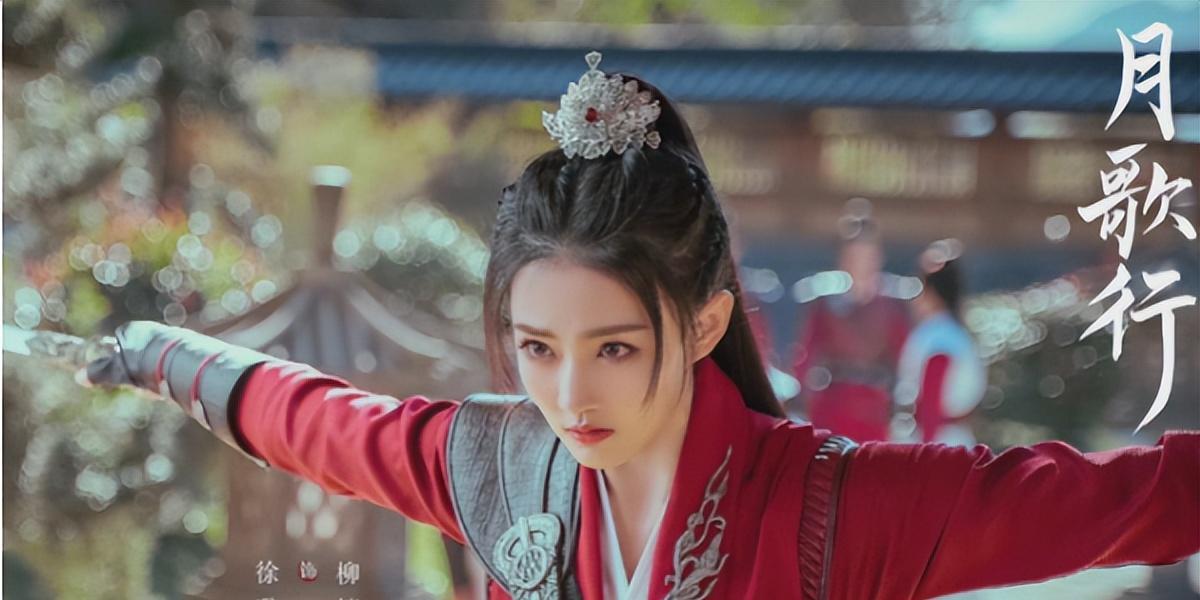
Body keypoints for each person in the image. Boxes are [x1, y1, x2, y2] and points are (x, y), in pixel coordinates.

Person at [82, 51, 1198, 600]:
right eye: (537, 348)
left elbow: (1130, 501)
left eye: (614, 347)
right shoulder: (495, 463)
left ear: (706, 323)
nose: (569, 396)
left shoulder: (834, 508)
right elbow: (313, 420)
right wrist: (154, 351)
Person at [791, 203, 911, 441]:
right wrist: (800, 397)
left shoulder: (891, 305)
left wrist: (903, 404)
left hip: (875, 409)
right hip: (832, 405)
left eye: (865, 254)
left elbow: (904, 358)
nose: (860, 262)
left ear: (878, 257)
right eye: (854, 254)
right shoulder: (825, 302)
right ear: (843, 258)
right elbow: (805, 354)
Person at [892, 240, 987, 446]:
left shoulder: (939, 334)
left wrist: (927, 449)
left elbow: (932, 398)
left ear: (933, 293)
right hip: (947, 439)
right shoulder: (950, 331)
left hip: (940, 442)